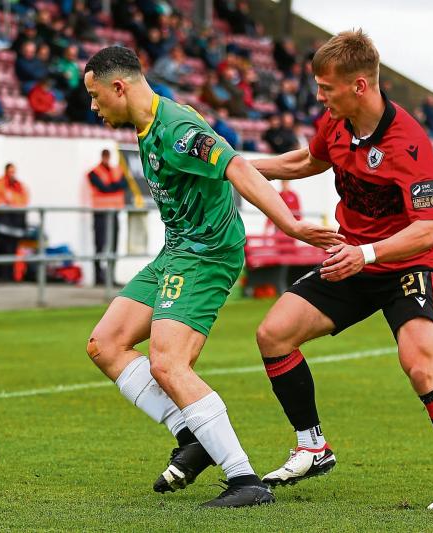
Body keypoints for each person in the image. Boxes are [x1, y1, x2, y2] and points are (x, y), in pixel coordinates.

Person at [81, 46, 341, 508]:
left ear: (119, 87)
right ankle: (193, 436)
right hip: (176, 251)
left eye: (96, 96)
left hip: (206, 255)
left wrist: (292, 226)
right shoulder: (153, 123)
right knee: (106, 344)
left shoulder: (177, 129)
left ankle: (244, 480)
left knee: (168, 362)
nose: (94, 107)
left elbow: (236, 167)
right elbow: (228, 162)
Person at [250, 29, 433, 511]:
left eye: (326, 87)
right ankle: (312, 446)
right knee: (273, 334)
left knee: (421, 366)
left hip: (403, 265)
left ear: (359, 86)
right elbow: (307, 160)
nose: (319, 96)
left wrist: (370, 254)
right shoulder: (335, 124)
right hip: (352, 260)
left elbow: (428, 230)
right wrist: (240, 166)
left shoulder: (410, 144)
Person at [87, 148, 127, 286]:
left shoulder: (117, 170)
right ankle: (98, 277)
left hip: (114, 212)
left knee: (113, 246)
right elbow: (104, 188)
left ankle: (111, 277)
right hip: (100, 213)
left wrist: (111, 187)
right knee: (99, 245)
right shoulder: (93, 172)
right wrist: (114, 187)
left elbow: (124, 184)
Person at [0, 163, 30, 282]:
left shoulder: (19, 186)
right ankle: (2, 276)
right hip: (3, 225)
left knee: (12, 252)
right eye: (10, 171)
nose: (12, 174)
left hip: (15, 225)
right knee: (2, 251)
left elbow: (24, 200)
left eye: (14, 172)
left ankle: (10, 276)